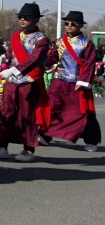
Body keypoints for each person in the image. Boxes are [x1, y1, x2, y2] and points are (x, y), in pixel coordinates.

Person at [0, 2, 50, 163]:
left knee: (26, 115)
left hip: (29, 82)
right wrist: (2, 58)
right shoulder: (15, 36)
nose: (22, 20)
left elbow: (34, 60)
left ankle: (28, 149)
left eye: (26, 18)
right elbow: (10, 54)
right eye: (20, 17)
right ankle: (1, 147)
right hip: (12, 82)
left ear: (35, 20)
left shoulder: (41, 40)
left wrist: (13, 70)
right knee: (6, 113)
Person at [41, 11, 101, 152]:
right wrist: (41, 64)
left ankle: (91, 140)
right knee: (53, 108)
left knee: (81, 112)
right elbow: (52, 58)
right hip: (59, 81)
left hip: (77, 83)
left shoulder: (87, 43)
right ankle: (45, 135)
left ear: (80, 25)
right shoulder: (60, 41)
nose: (69, 26)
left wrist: (84, 81)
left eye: (73, 23)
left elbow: (90, 64)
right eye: (66, 23)